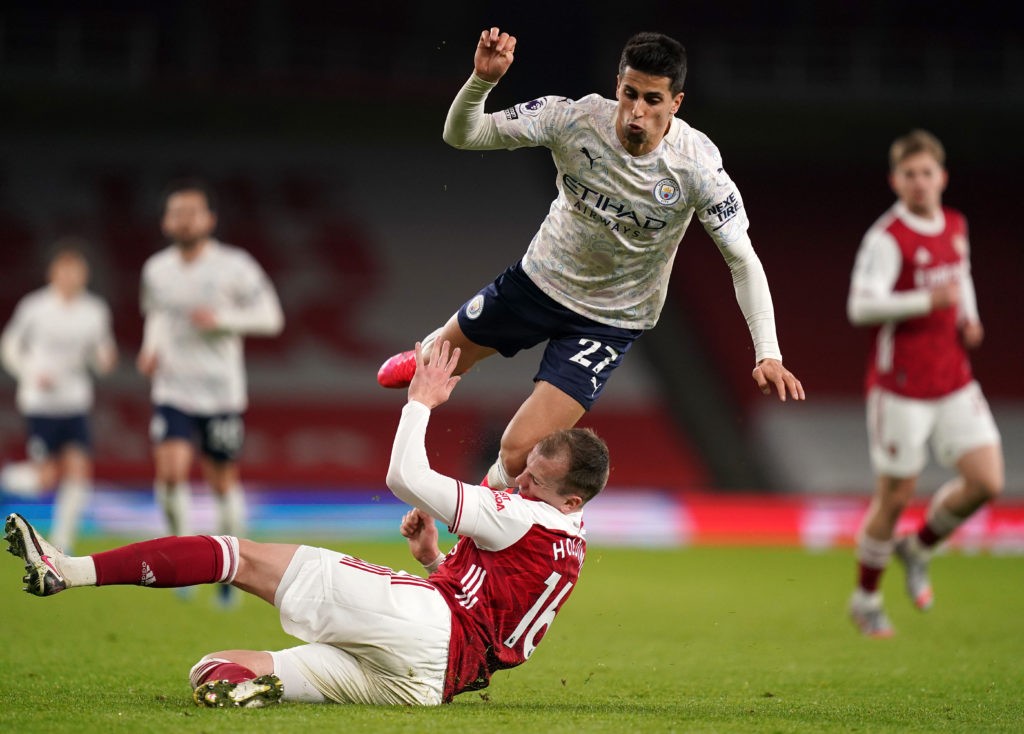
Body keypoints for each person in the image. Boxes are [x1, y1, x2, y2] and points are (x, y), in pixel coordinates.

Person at [5, 340, 610, 708]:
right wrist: (431, 559)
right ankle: (253, 689)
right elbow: (496, 616)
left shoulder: (526, 518)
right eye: (525, 471)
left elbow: (406, 477)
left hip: (427, 626)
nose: (519, 480)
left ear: (572, 500)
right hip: (431, 682)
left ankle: (67, 570)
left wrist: (420, 403)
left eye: (534, 480)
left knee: (235, 554)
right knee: (216, 668)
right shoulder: (567, 542)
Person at [377, 27, 804, 489]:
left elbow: (743, 260)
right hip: (537, 283)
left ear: (675, 103)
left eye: (653, 100)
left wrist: (768, 353)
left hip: (609, 320)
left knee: (518, 451)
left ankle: (470, 535)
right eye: (630, 93)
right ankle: (434, 348)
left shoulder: (697, 167)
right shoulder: (574, 118)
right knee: (433, 366)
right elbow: (464, 135)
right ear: (617, 84)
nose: (637, 111)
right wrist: (482, 81)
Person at [846, 129, 1003, 637]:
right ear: (896, 180)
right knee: (894, 497)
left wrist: (969, 317)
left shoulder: (955, 224)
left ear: (942, 177)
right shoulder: (887, 238)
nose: (918, 182)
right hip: (902, 387)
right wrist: (925, 303)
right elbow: (861, 306)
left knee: (986, 481)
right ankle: (866, 599)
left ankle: (918, 548)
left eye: (926, 173)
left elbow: (962, 275)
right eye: (909, 174)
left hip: (953, 378)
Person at [137, 179, 283, 604]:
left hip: (220, 391)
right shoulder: (156, 270)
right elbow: (156, 316)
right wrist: (150, 350)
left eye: (191, 212)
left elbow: (271, 317)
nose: (183, 219)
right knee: (169, 472)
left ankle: (232, 568)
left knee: (222, 482)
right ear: (166, 221)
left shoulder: (235, 265)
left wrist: (221, 318)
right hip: (172, 387)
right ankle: (183, 563)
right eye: (175, 212)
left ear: (209, 219)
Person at [1, 243, 118, 552]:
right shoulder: (35, 307)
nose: (69, 278)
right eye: (64, 272)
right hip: (41, 402)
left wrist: (104, 360)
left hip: (75, 401)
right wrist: (29, 372)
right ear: (53, 274)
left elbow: (101, 352)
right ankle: (6, 478)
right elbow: (10, 345)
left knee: (79, 469)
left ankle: (63, 543)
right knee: (46, 478)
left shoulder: (95, 310)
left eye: (75, 272)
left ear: (84, 276)